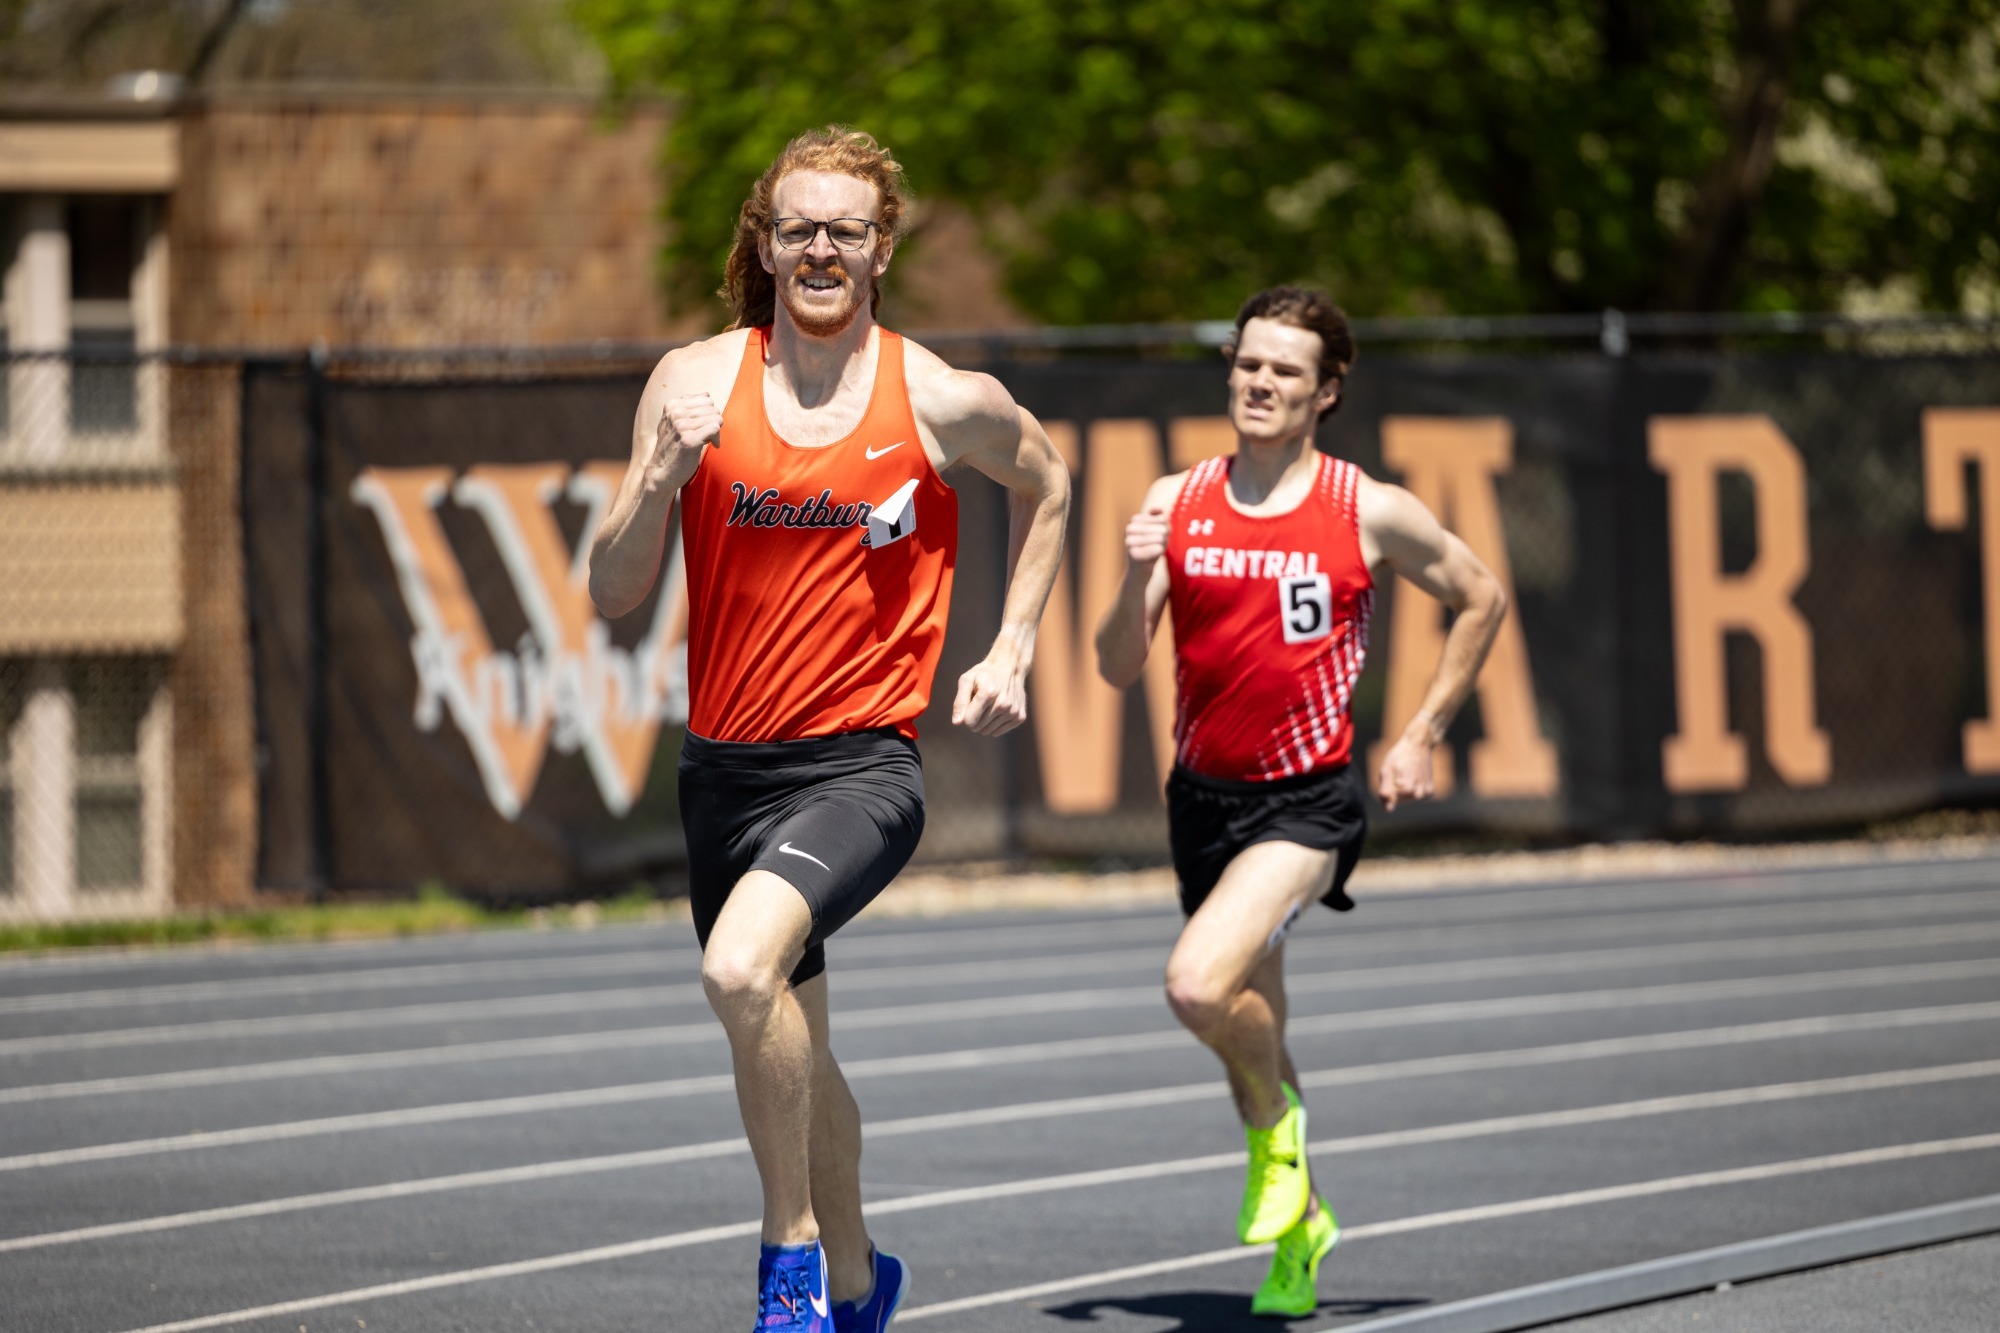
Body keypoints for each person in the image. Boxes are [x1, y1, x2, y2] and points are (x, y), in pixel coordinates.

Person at [588, 127, 1070, 1333]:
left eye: (843, 230)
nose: (818, 248)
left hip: (859, 766)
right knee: (787, 1028)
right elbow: (608, 589)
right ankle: (861, 1287)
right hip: (724, 774)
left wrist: (1010, 641)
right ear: (762, 240)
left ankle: (790, 1253)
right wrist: (656, 478)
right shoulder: (692, 382)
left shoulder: (941, 398)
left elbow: (1049, 485)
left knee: (736, 969)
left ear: (880, 248)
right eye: (796, 227)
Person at [1094, 286, 1508, 1318]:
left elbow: (1479, 594)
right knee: (1255, 1028)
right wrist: (1128, 573)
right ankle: (1303, 1230)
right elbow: (1112, 664)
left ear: (1324, 392)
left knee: (1196, 987)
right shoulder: (1179, 499)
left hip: (1305, 804)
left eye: (1284, 370)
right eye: (1247, 363)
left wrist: (1418, 731)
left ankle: (1277, 1142)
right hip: (1202, 803)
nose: (1259, 382)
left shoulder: (1361, 507)